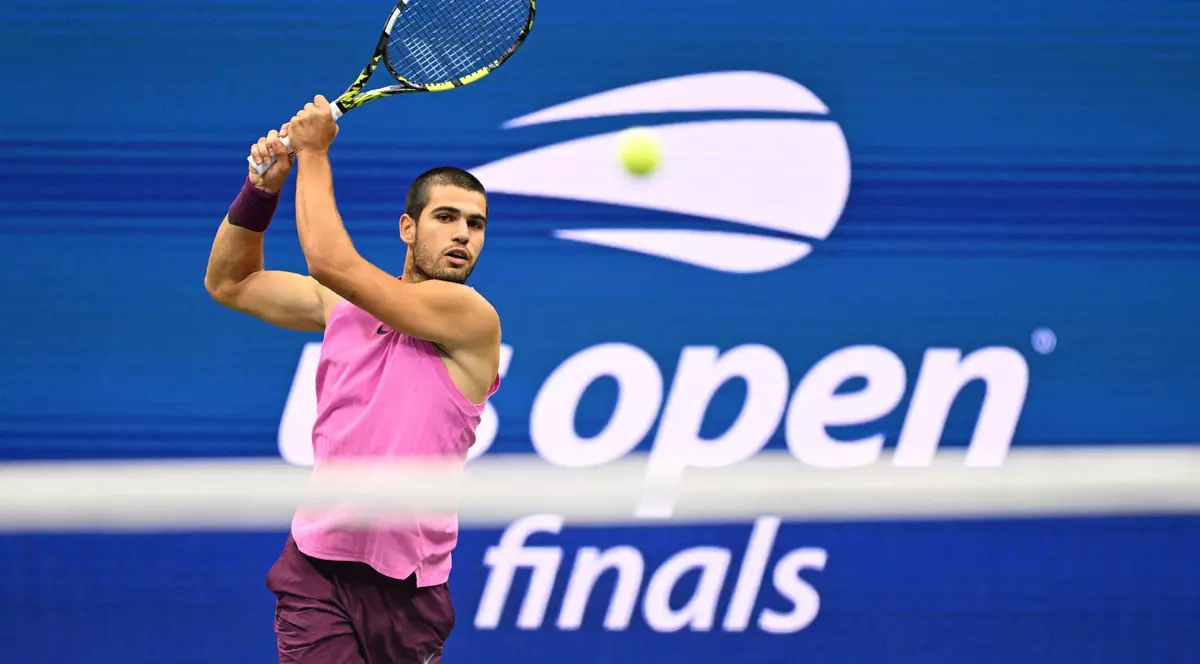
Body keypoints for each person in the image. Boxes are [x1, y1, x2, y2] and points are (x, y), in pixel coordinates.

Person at [204, 94, 502, 664]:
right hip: (316, 571)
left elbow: (331, 263)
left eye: (476, 224)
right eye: (446, 218)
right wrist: (260, 191)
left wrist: (314, 151)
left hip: (409, 593)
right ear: (408, 228)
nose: (463, 234)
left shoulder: (472, 319)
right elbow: (231, 282)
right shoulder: (341, 306)